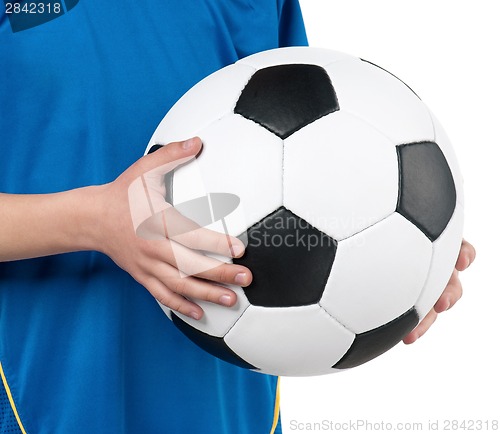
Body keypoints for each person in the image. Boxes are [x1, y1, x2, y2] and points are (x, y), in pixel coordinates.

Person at [0, 1, 475, 433]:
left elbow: (305, 163)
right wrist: (94, 221)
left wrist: (408, 254)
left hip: (226, 401)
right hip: (50, 393)